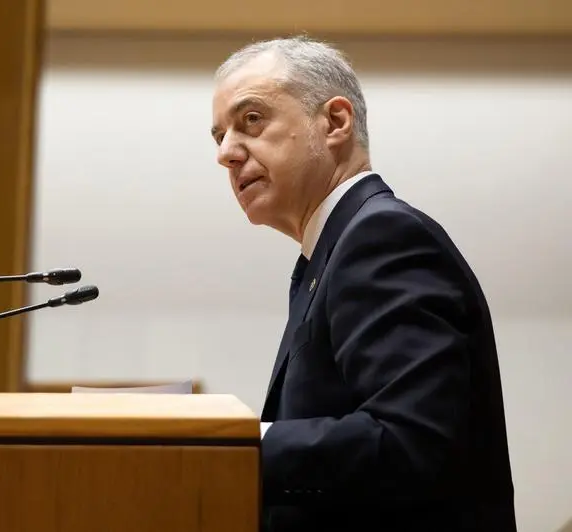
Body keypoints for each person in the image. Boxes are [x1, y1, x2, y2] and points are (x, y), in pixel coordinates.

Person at [210, 36, 516, 532]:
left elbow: (408, 442)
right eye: (219, 136)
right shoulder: (330, 253)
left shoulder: (381, 236)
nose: (226, 153)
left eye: (251, 119)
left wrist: (233, 445)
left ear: (335, 122)